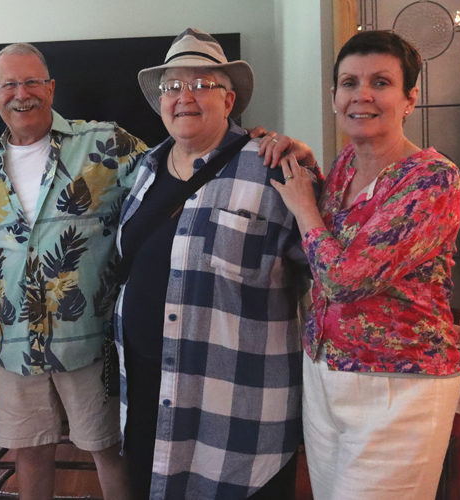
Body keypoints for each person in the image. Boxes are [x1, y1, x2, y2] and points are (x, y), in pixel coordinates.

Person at [115, 28, 315, 499]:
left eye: (200, 84)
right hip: (148, 390)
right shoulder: (145, 167)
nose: (184, 97)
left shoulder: (273, 167)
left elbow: (322, 271)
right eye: (171, 87)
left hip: (232, 406)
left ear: (229, 101)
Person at [268, 30, 460, 500]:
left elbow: (346, 279)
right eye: (349, 82)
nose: (363, 95)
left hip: (400, 387)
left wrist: (303, 206)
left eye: (380, 82)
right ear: (335, 97)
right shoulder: (344, 169)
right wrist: (310, 171)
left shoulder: (433, 177)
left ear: (409, 98)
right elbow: (328, 247)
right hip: (324, 375)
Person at [0, 42, 147, 500]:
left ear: (50, 88)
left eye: (31, 82)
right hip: (15, 347)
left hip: (88, 341)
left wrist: (245, 144)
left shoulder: (105, 142)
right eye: (9, 84)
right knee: (29, 452)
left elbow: (172, 171)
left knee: (109, 449)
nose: (21, 94)